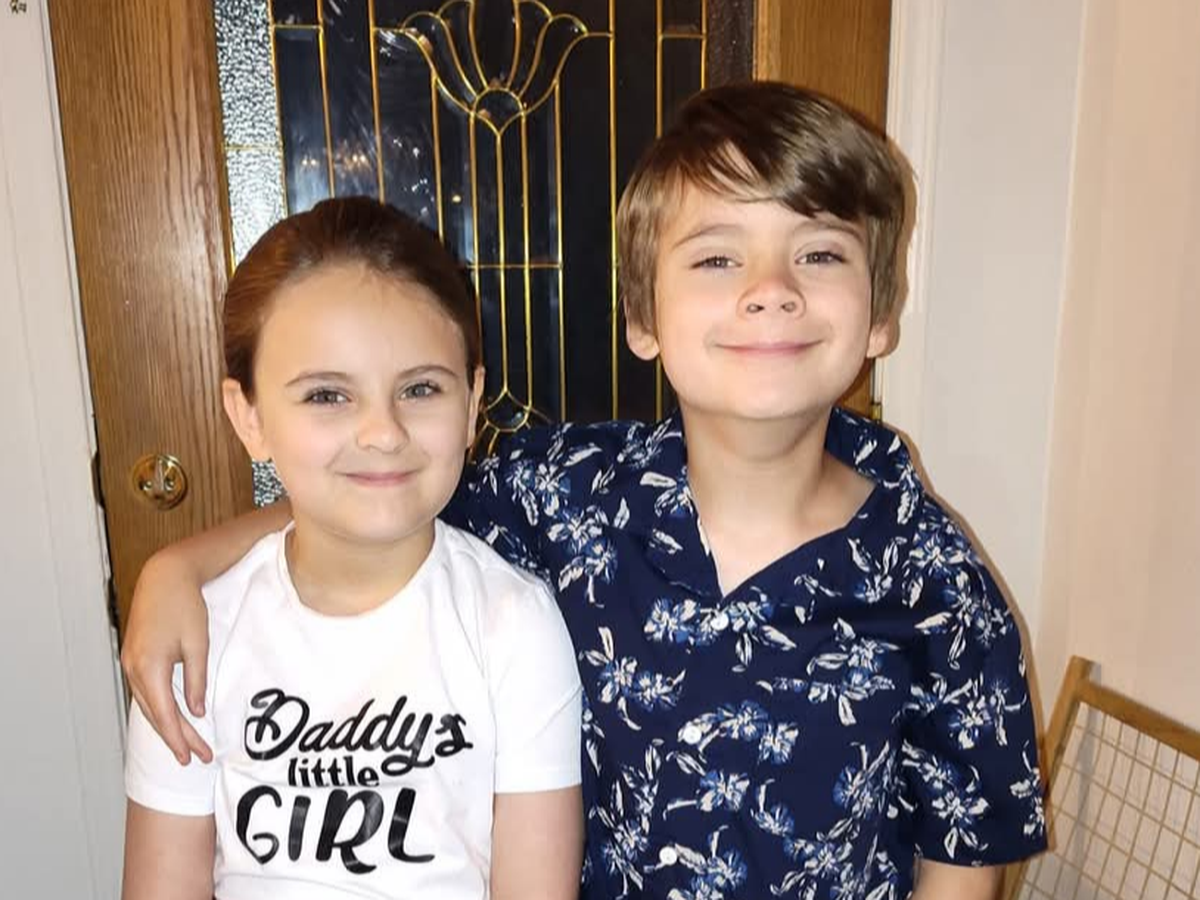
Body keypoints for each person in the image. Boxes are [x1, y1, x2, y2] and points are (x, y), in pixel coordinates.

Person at [122, 82, 1047, 899]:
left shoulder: (938, 581)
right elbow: (381, 492)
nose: (770, 290)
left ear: (881, 312)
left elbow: (966, 848)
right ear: (643, 317)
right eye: (717, 259)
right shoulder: (565, 495)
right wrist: (180, 565)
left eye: (820, 254)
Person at [120, 197, 584, 900]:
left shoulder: (513, 624)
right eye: (327, 396)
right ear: (249, 416)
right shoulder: (196, 634)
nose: (383, 432)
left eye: (420, 388)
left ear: (471, 404)